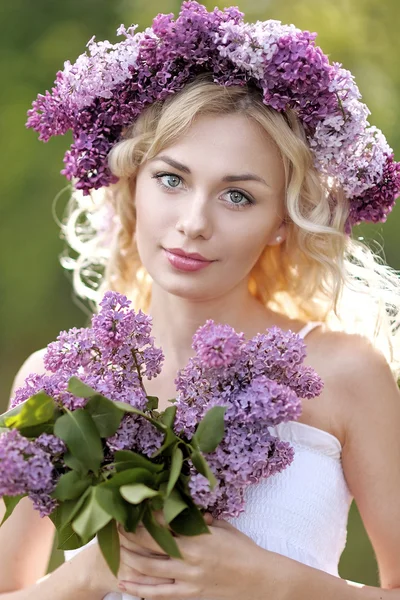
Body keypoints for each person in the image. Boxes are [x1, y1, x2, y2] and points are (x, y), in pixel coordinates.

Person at [1, 2, 400, 599]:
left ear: (280, 223)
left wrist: (271, 580)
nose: (193, 223)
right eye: (172, 179)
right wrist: (88, 573)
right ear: (131, 181)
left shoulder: (344, 374)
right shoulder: (58, 380)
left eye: (237, 196)